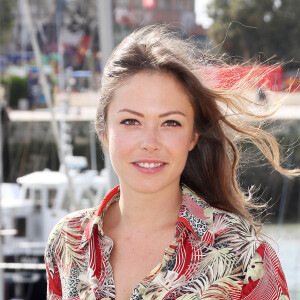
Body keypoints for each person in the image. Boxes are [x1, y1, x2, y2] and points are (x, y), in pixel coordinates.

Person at [45, 25, 298, 300]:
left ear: (193, 136)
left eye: (170, 123)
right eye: (131, 121)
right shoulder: (67, 242)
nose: (150, 141)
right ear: (104, 130)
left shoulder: (242, 255)